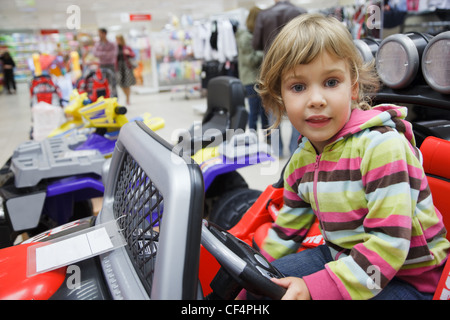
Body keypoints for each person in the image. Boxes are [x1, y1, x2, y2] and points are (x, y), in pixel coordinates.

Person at [256, 13, 450, 300]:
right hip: (343, 255)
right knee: (265, 287)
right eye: (298, 87)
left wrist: (314, 288)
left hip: (408, 276)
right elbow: (288, 226)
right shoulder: (302, 158)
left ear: (353, 87)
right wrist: (254, 263)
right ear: (281, 98)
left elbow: (389, 244)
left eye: (331, 82)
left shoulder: (381, 148)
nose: (317, 99)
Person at [252, 0, 307, 157]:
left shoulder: (263, 15)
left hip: (271, 67)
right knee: (298, 107)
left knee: (273, 109)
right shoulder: (300, 12)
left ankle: (277, 150)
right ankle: (297, 150)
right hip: (296, 66)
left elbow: (255, 44)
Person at [236, 7, 269, 135]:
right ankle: (252, 140)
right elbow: (250, 60)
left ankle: (266, 140)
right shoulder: (245, 37)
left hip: (255, 79)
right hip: (250, 80)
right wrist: (265, 53)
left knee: (263, 112)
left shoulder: (251, 35)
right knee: (254, 113)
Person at [92, 28, 118, 97]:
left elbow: (114, 54)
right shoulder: (97, 44)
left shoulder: (112, 44)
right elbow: (95, 53)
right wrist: (106, 53)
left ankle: (115, 98)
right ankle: (105, 97)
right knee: (102, 83)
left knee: (113, 83)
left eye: (100, 33)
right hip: (102, 65)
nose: (99, 35)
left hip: (111, 65)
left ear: (104, 33)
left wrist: (101, 54)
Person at [115, 34, 136, 106]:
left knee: (127, 83)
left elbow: (133, 55)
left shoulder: (127, 47)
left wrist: (128, 53)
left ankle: (128, 98)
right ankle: (126, 96)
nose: (117, 41)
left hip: (126, 67)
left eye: (118, 39)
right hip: (119, 67)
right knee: (121, 84)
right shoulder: (115, 48)